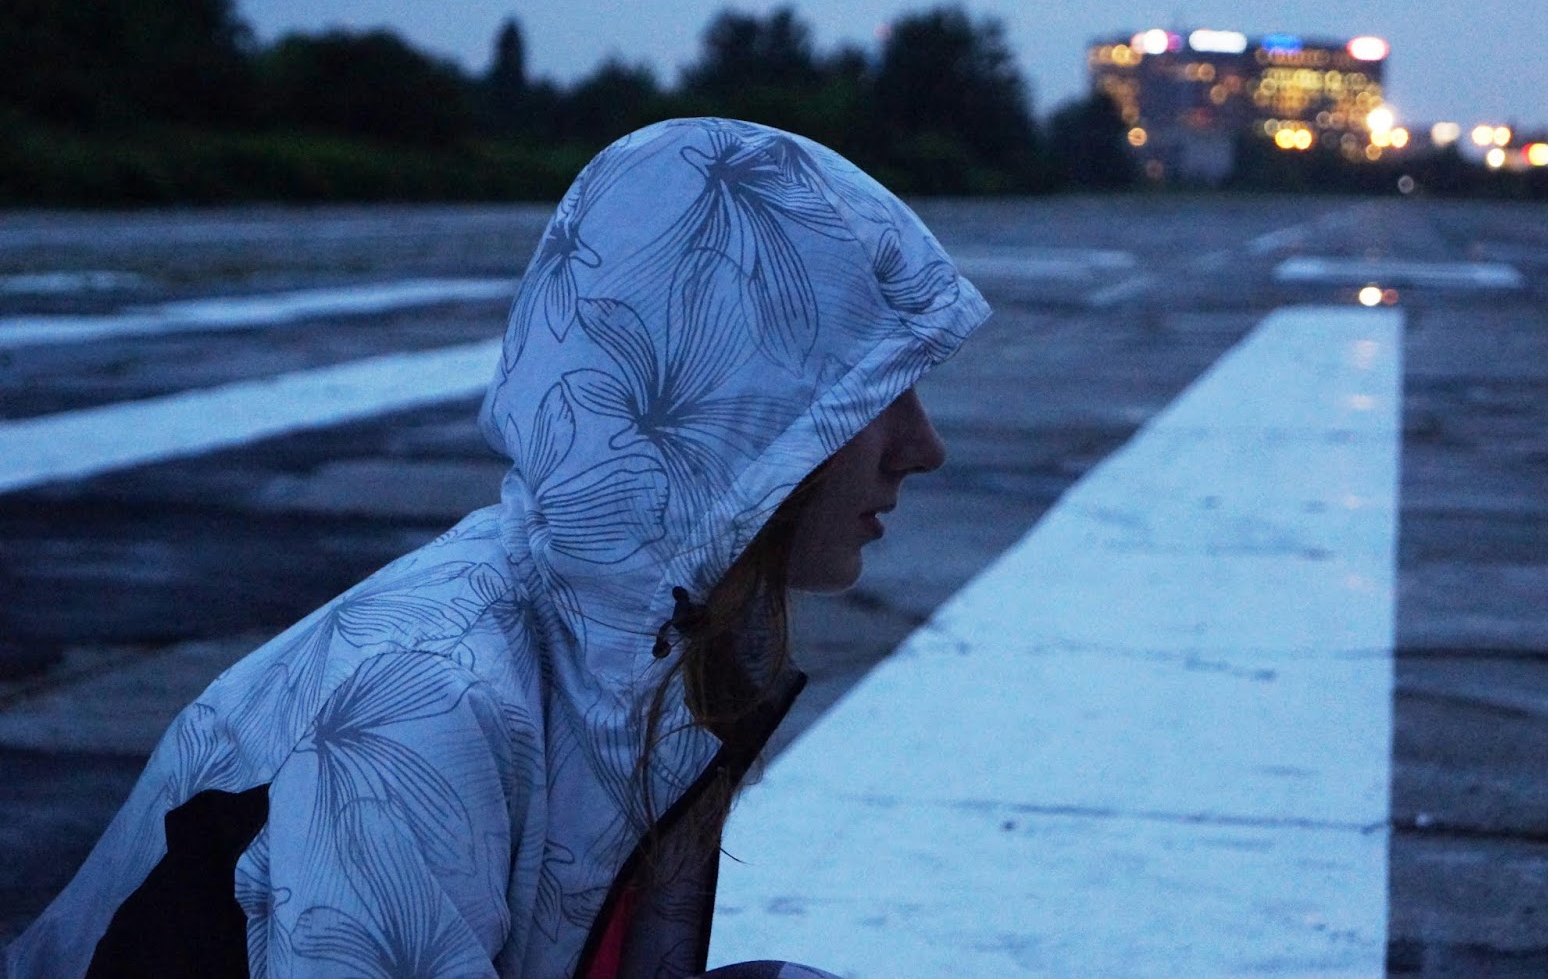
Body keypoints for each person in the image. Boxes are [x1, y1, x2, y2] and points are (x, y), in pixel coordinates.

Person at [6, 117, 989, 978]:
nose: (923, 447)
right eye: (873, 392)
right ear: (747, 412)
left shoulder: (623, 653)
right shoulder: (414, 715)